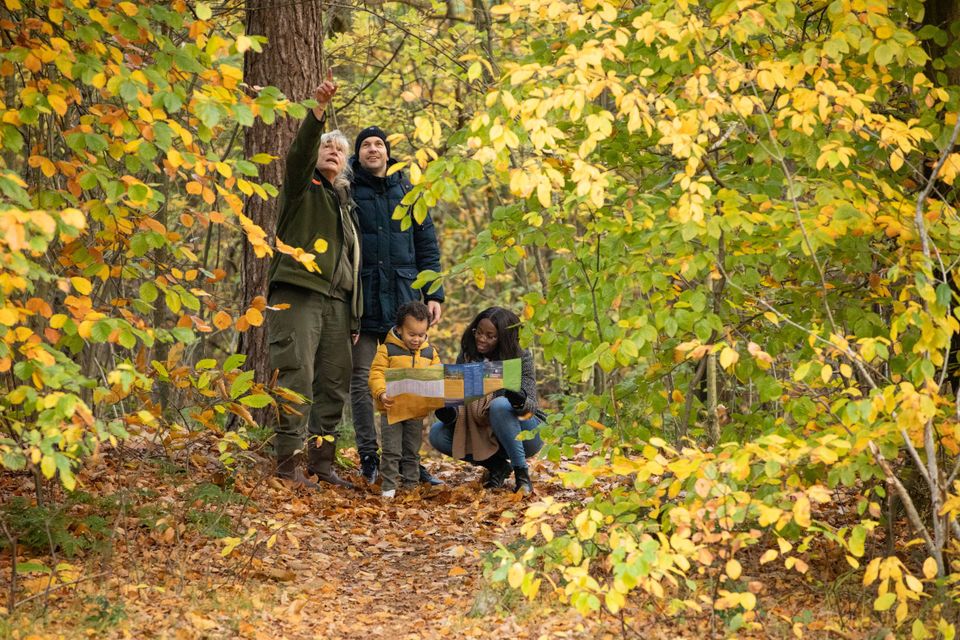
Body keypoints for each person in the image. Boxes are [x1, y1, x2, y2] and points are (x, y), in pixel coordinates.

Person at [267, 70, 361, 490]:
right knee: (297, 376)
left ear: (346, 163)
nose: (333, 152)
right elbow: (299, 153)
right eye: (328, 146)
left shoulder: (346, 206)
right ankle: (286, 463)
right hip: (301, 293)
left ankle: (322, 463)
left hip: (339, 305)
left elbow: (352, 264)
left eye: (340, 150)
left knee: (334, 385)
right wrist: (318, 111)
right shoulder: (301, 188)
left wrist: (354, 316)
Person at [348, 125, 445, 486]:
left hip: (405, 297)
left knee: (412, 376)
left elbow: (427, 245)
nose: (373, 149)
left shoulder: (408, 190)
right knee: (363, 379)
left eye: (379, 144)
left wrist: (434, 294)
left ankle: (409, 462)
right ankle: (369, 457)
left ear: (388, 153)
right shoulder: (347, 190)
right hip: (362, 298)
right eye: (366, 145)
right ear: (358, 153)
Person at [428, 307, 544, 494]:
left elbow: (531, 406)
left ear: (503, 338)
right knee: (437, 434)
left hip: (524, 435)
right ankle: (497, 466)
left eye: (490, 336)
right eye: (479, 332)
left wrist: (518, 400)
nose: (481, 339)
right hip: (481, 431)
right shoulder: (467, 355)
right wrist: (448, 412)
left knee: (500, 405)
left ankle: (522, 475)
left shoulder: (521, 357)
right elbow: (459, 400)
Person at [367, 301, 442, 498]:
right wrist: (381, 392)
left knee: (412, 451)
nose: (416, 339)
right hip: (391, 409)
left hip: (416, 411)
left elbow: (437, 375)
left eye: (421, 334)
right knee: (391, 450)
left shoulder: (430, 353)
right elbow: (376, 374)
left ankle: (411, 486)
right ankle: (389, 487)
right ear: (399, 329)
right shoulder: (387, 350)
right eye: (411, 334)